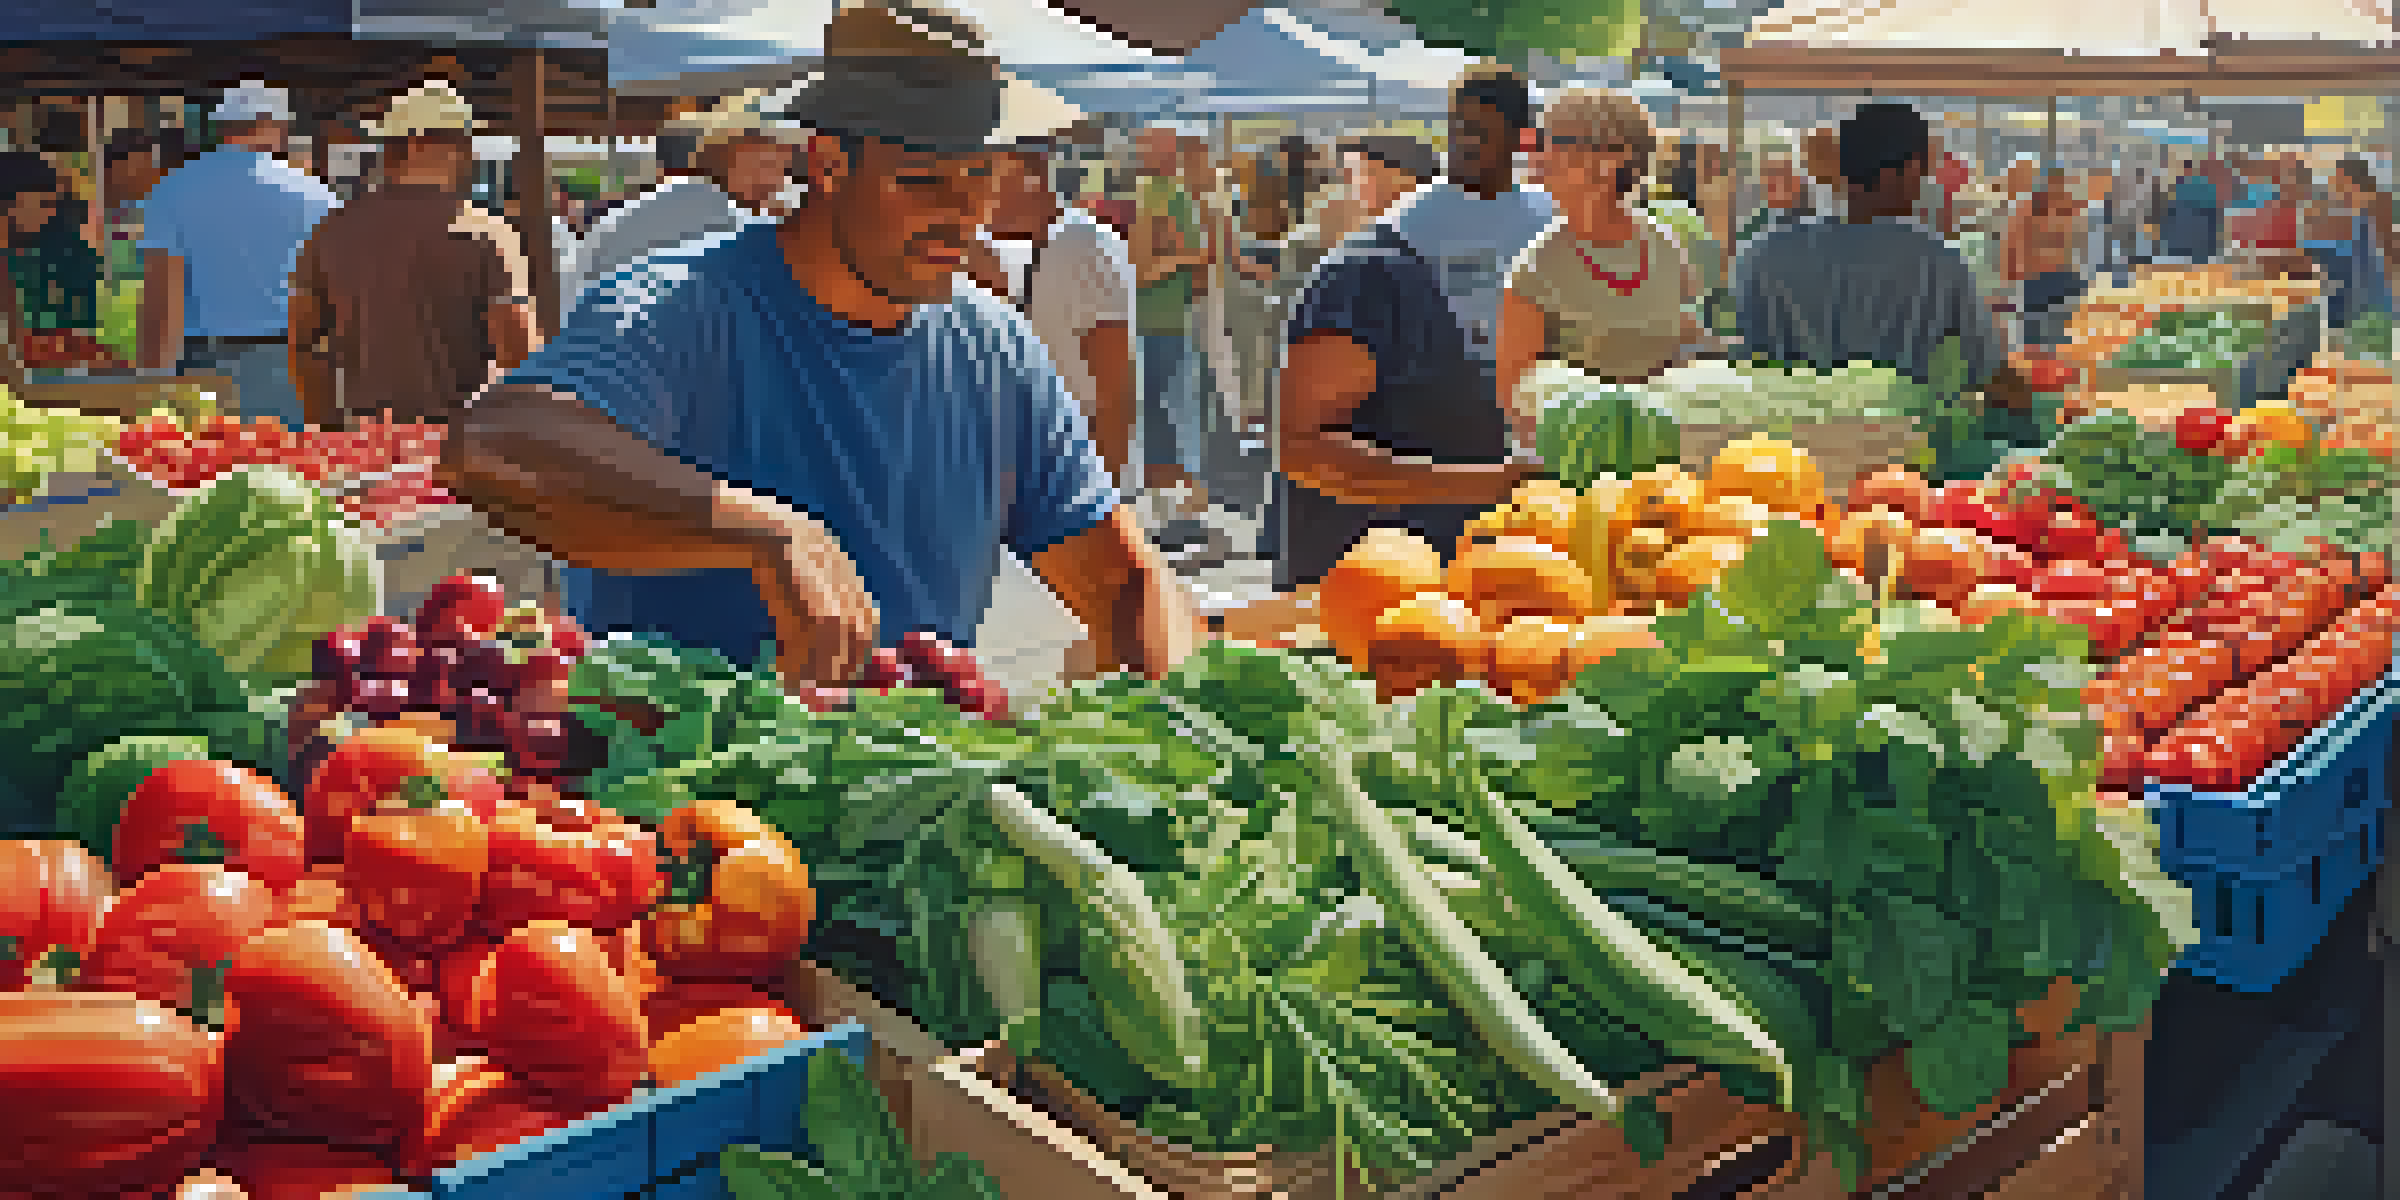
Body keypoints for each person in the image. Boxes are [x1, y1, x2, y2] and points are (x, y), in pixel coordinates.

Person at [439, 0, 1191, 690]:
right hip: (677, 804)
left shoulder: (993, 342)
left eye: (980, 179)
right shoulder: (684, 302)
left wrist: (1179, 720)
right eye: (924, 181)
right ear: (828, 164)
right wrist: (767, 532)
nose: (963, 216)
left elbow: (1122, 583)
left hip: (905, 785)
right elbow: (498, 444)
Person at [1271, 65, 1549, 591]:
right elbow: (1303, 448)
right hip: (1372, 582)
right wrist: (1495, 485)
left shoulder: (1560, 242)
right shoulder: (1369, 270)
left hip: (1508, 577)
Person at [1733, 103, 2029, 402]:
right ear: (1911, 169)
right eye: (1926, 168)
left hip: (1784, 441)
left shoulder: (1764, 253)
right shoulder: (1940, 263)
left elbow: (1743, 356)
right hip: (1905, 442)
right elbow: (1991, 375)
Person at [287, 81, 536, 429]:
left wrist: (328, 431)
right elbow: (520, 352)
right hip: (458, 443)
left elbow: (304, 347)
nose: (470, 153)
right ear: (425, 144)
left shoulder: (331, 229)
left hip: (361, 441)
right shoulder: (488, 232)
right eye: (462, 141)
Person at [1496, 89, 1702, 443]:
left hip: (1663, 460)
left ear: (1612, 157)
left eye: (1548, 140)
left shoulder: (1666, 248)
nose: (1534, 155)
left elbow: (1684, 356)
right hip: (1574, 467)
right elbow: (1516, 402)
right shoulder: (1536, 268)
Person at [136, 81, 338, 429]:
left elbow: (161, 302)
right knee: (289, 477)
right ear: (277, 128)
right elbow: (333, 293)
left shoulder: (170, 190)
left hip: (202, 365)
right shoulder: (317, 195)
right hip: (290, 365)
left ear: (220, 127)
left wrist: (152, 389)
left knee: (202, 476)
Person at [980, 139, 1138, 485]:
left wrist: (1098, 500)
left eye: (984, 172)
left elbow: (1114, 394)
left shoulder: (1085, 245)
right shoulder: (996, 249)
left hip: (1070, 477)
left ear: (1032, 173)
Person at [564, 89, 801, 316]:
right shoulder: (738, 227)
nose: (780, 176)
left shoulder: (626, 218)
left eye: (784, 163)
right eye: (771, 161)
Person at [1131, 126, 1213, 518]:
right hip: (1154, 321)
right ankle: (1178, 505)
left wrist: (1180, 255)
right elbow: (1144, 269)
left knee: (1165, 414)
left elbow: (1199, 256)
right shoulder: (1151, 195)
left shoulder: (1170, 194)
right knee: (1168, 415)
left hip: (1166, 320)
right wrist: (1180, 255)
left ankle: (1179, 504)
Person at [0, 153, 61, 394]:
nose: (50, 215)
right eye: (44, 204)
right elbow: (14, 383)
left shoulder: (6, 267)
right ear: (10, 202)